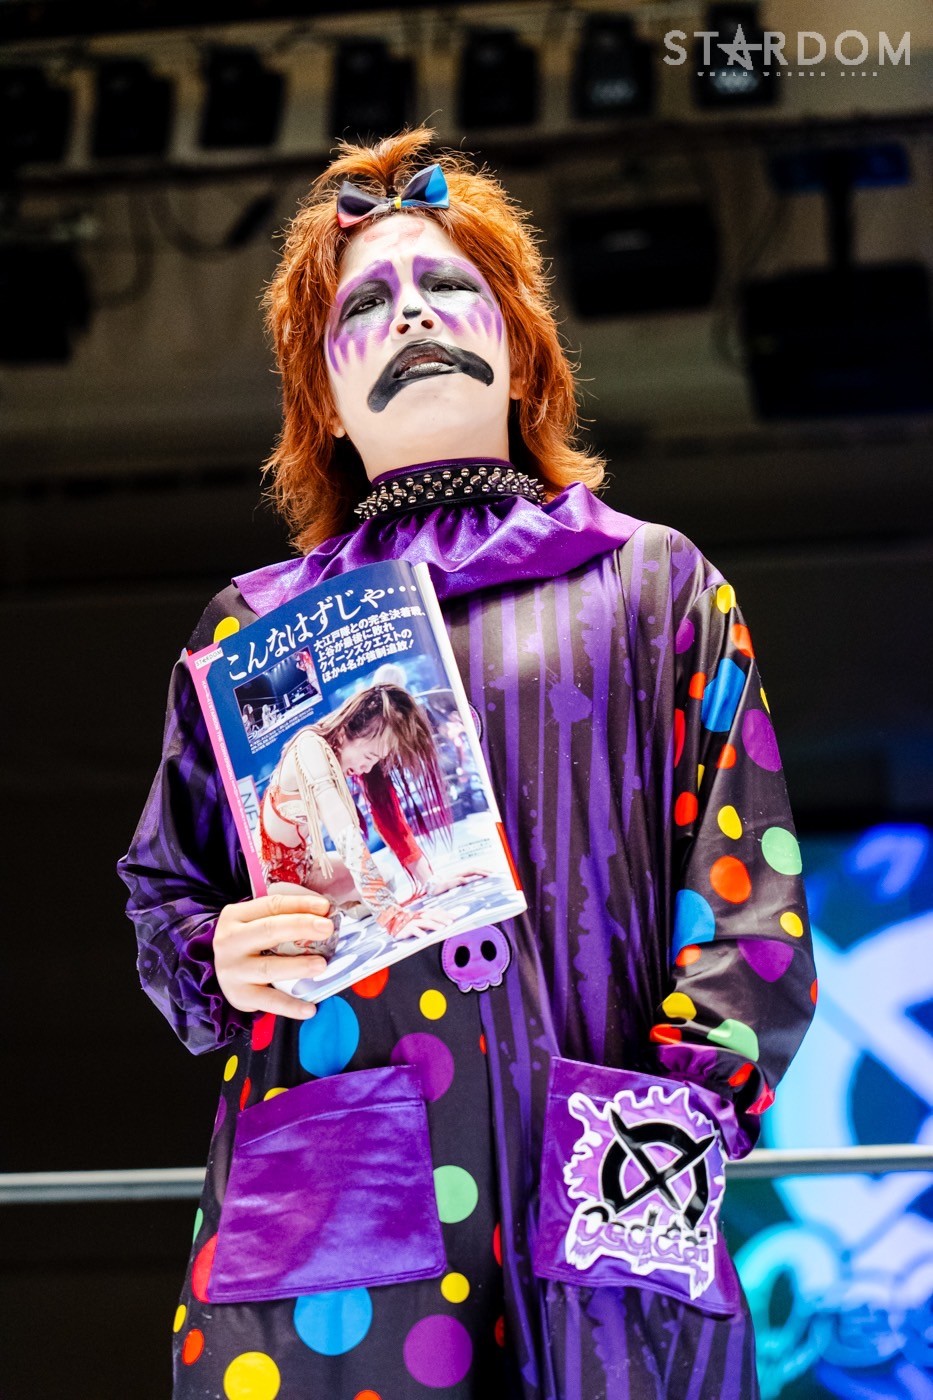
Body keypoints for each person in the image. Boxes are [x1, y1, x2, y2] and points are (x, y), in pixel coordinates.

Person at [119, 127, 816, 1399]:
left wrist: (659, 1143)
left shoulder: (655, 583)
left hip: (605, 1184)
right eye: (365, 304)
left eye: (450, 285)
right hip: (340, 1216)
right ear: (322, 396)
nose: (412, 314)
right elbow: (168, 897)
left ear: (522, 351)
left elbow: (745, 920)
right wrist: (218, 951)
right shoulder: (250, 629)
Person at [259, 682, 453, 939]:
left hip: (307, 870)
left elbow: (389, 817)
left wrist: (431, 882)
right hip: (272, 885)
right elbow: (344, 834)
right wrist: (391, 916)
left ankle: (341, 906)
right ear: (343, 733)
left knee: (385, 878)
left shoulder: (341, 754)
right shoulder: (309, 747)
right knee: (322, 930)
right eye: (370, 756)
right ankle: (336, 908)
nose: (367, 768)